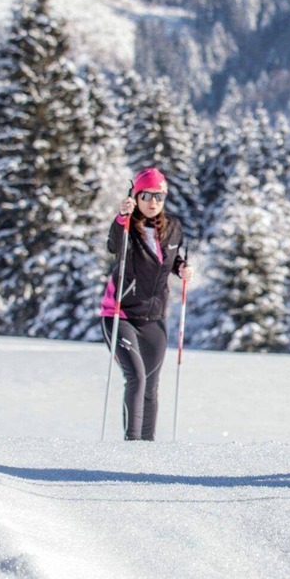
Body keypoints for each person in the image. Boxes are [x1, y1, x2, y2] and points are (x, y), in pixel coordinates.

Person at [99, 167, 193, 441]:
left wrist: (182, 269)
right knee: (136, 378)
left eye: (159, 197)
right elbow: (114, 246)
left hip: (154, 317)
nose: (153, 202)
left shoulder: (173, 227)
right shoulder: (127, 224)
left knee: (151, 385)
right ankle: (132, 444)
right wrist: (121, 217)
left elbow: (172, 260)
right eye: (147, 196)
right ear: (136, 196)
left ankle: (147, 450)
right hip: (120, 314)